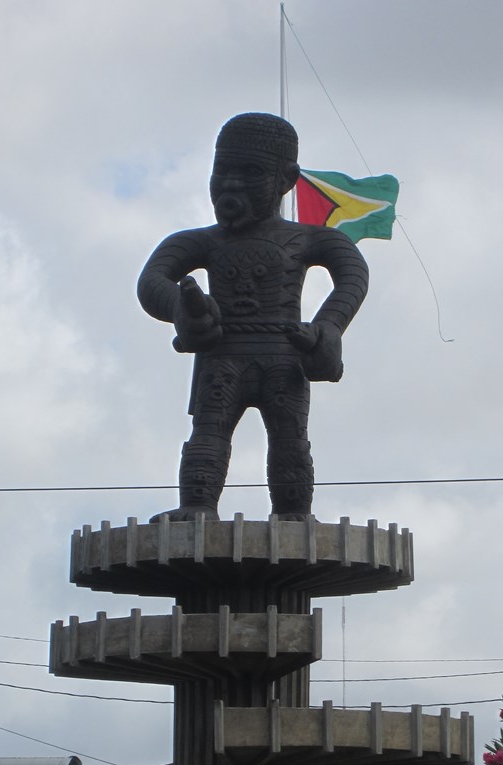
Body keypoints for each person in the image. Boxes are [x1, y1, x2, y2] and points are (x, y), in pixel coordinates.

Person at [137, 112, 369, 521]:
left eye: (250, 172)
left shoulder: (310, 239)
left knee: (290, 438)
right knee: (208, 433)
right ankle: (197, 505)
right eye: (222, 171)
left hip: (285, 354)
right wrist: (180, 307)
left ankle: (293, 511)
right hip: (221, 356)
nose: (231, 183)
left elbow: (352, 273)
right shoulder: (199, 242)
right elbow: (153, 279)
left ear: (286, 180)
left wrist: (329, 325)